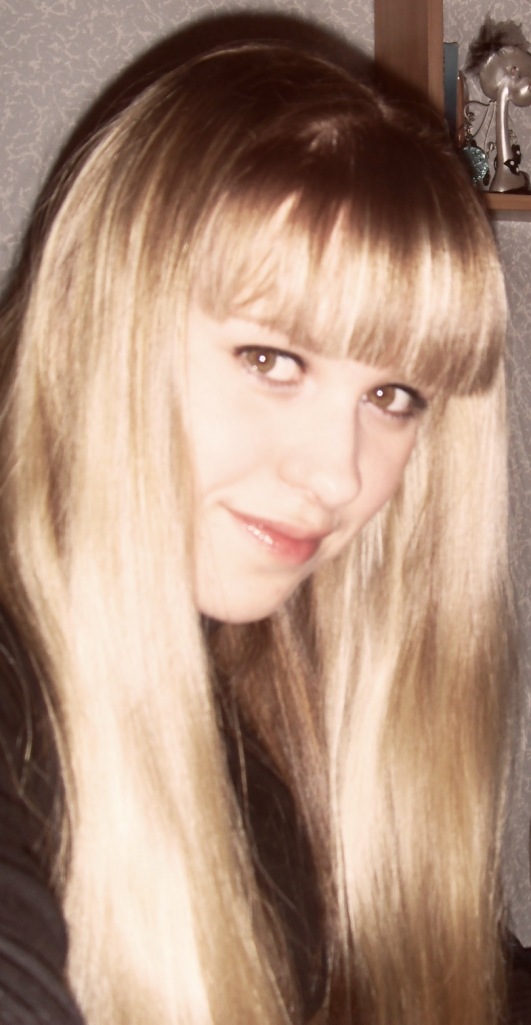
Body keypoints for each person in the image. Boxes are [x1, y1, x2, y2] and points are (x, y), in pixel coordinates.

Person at [0, 37, 521, 1025]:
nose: (337, 475)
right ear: (104, 320)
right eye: (270, 358)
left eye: (393, 394)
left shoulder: (281, 682)